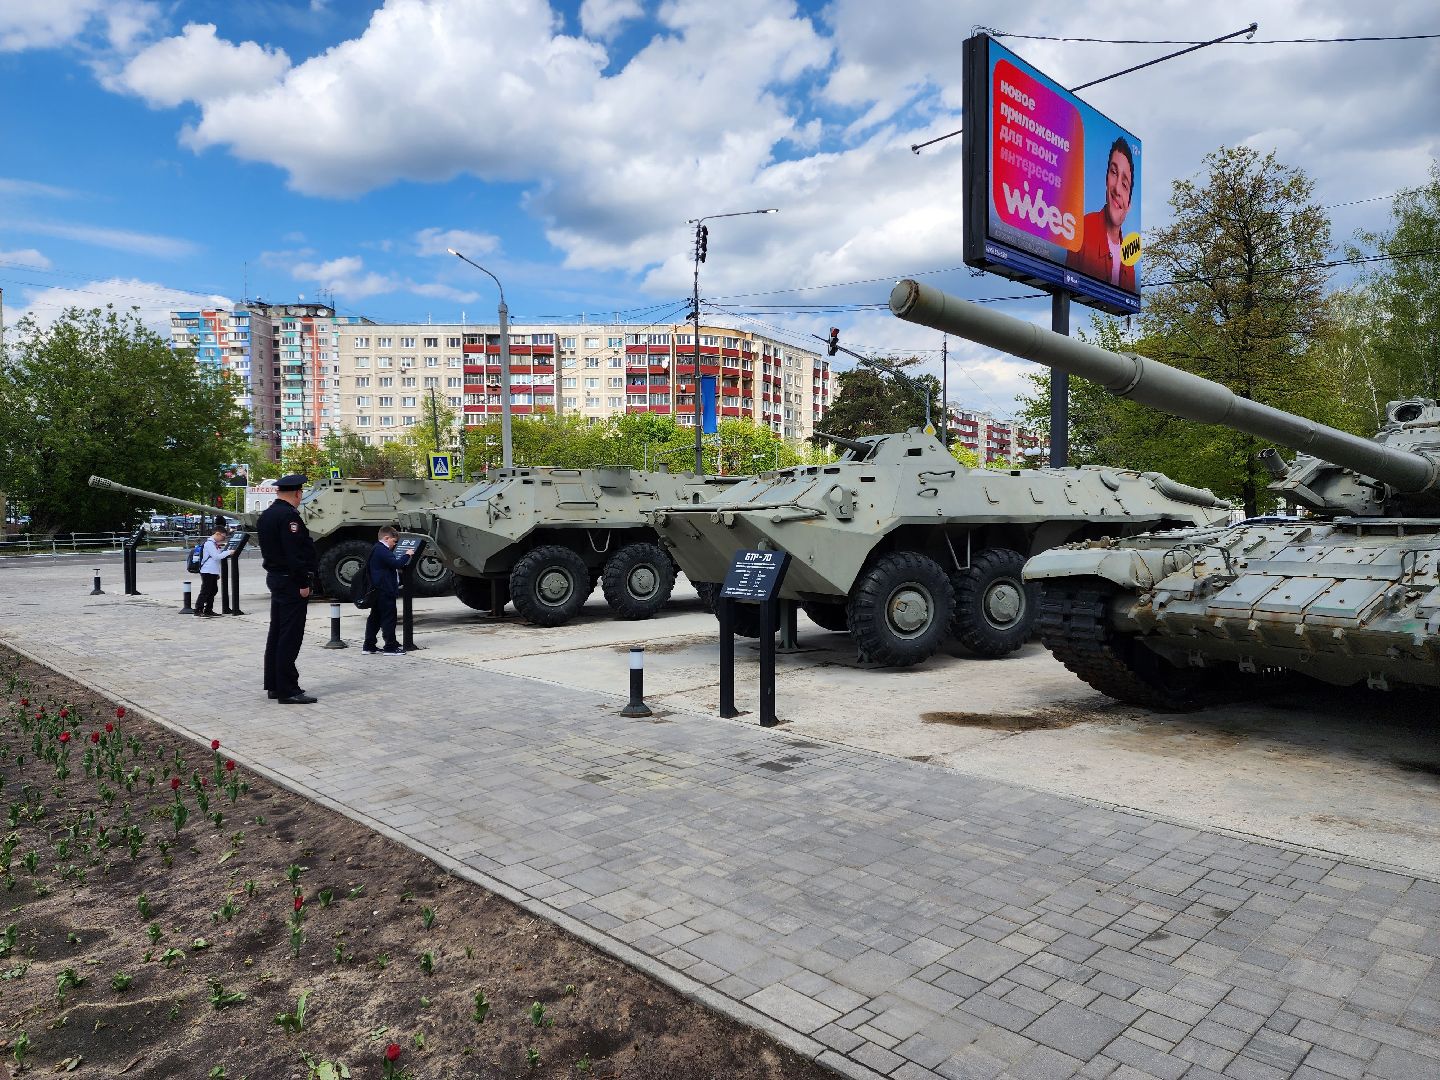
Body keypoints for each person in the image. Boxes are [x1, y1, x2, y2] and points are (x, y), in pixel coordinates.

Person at [257, 474, 318, 704]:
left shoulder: (268, 515)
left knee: (277, 634)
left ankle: (273, 684)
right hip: (291, 582)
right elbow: (294, 555)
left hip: (276, 578)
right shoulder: (289, 517)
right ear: (298, 494)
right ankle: (288, 689)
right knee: (290, 636)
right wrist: (304, 583)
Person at [1066, 136, 1136, 291]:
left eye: (1125, 184)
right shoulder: (1082, 230)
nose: (1117, 188)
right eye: (1113, 172)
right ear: (1106, 180)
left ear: (1129, 204)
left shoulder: (1130, 261)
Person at [362, 525, 414, 655]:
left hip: (377, 590)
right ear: (386, 538)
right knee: (388, 618)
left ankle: (369, 645)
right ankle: (390, 647)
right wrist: (407, 555)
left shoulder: (376, 549)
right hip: (384, 590)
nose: (394, 545)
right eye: (394, 541)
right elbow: (397, 564)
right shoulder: (382, 550)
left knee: (375, 618)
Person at [194, 526, 232, 617]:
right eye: (223, 536)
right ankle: (198, 610)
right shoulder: (209, 544)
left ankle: (208, 609)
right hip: (207, 571)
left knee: (213, 591)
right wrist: (229, 552)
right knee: (205, 591)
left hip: (212, 571)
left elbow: (216, 558)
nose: (223, 539)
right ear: (217, 534)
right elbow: (216, 557)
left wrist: (217, 573)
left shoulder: (214, 544)